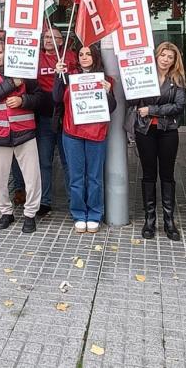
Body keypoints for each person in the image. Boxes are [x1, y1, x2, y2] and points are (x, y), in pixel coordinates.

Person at [0, 41, 43, 234]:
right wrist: (12, 83)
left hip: (25, 132)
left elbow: (40, 98)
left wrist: (23, 100)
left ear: (8, 53)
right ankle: (6, 213)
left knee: (32, 177)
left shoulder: (26, 73)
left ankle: (30, 214)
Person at [54, 43, 116, 233]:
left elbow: (112, 107)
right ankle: (79, 214)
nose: (84, 57)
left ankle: (95, 213)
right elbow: (56, 98)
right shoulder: (69, 76)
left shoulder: (105, 79)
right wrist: (58, 77)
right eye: (81, 54)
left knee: (94, 177)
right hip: (72, 133)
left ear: (95, 56)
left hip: (96, 133)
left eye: (88, 54)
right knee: (76, 177)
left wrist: (107, 92)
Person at [130, 41, 186, 241]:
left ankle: (169, 221)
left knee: (167, 175)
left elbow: (179, 105)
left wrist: (152, 110)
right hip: (145, 131)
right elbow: (132, 100)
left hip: (168, 131)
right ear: (156, 55)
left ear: (174, 61)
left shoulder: (177, 78)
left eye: (170, 57)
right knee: (148, 175)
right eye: (163, 55)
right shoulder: (144, 74)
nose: (166, 60)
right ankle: (150, 219)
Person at [29, 25, 77, 218]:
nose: (47, 40)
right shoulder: (35, 57)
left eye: (52, 37)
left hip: (66, 116)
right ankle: (45, 201)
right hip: (44, 117)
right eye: (45, 37)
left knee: (68, 162)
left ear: (60, 41)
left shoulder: (71, 56)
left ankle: (74, 200)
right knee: (44, 161)